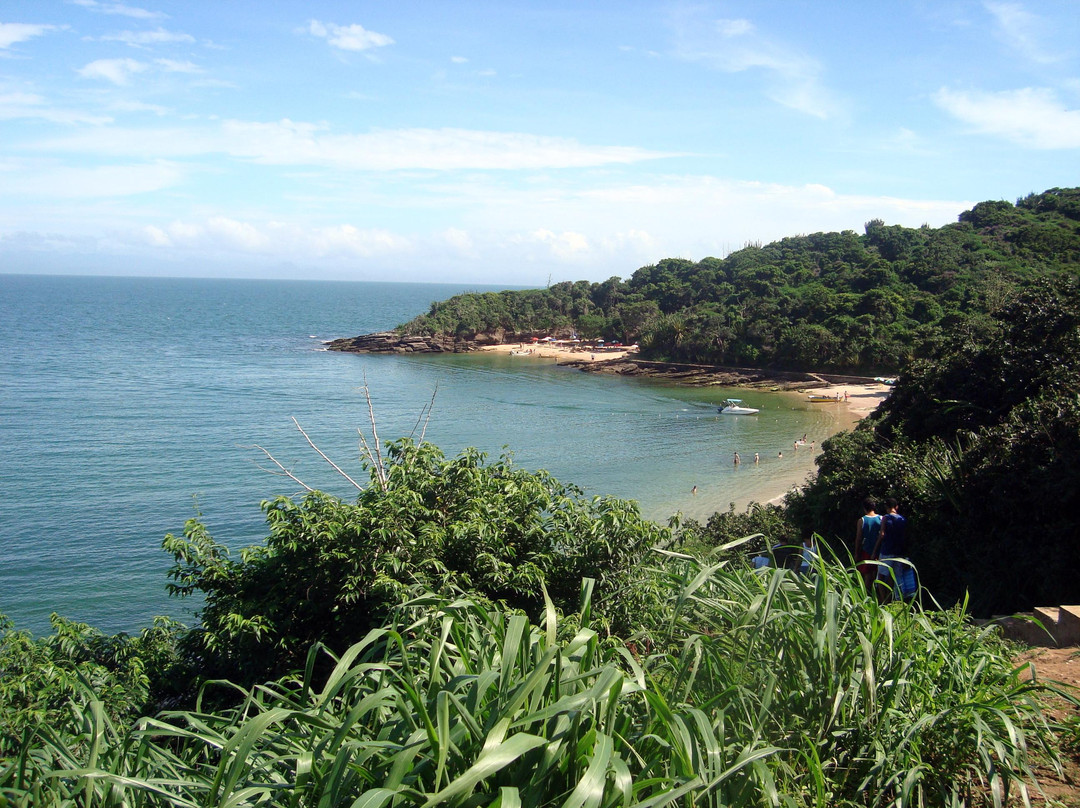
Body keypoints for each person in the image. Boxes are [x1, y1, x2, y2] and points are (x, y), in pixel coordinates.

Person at [872, 497, 913, 602]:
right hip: (898, 553)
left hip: (886, 551)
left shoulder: (885, 518)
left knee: (881, 576)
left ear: (886, 507)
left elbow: (881, 535)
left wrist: (875, 551)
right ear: (896, 507)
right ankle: (890, 600)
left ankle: (883, 601)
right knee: (892, 577)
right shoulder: (902, 519)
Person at [854, 497, 882, 593]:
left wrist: (857, 553)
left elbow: (859, 538)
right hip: (879, 551)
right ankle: (877, 595)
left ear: (864, 508)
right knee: (877, 574)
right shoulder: (881, 519)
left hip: (866, 550)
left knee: (867, 575)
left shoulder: (862, 520)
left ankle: (867, 595)